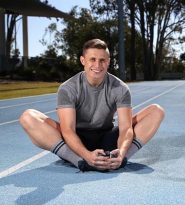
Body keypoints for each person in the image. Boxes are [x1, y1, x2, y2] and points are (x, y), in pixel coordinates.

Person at [19, 39, 165, 172]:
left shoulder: (120, 88)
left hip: (107, 138)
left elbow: (126, 128)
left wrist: (122, 151)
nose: (97, 65)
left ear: (108, 62)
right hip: (76, 142)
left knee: (156, 111)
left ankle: (120, 159)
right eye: (92, 59)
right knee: (28, 117)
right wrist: (86, 155)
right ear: (83, 60)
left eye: (102, 60)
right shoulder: (68, 88)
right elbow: (68, 130)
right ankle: (80, 162)